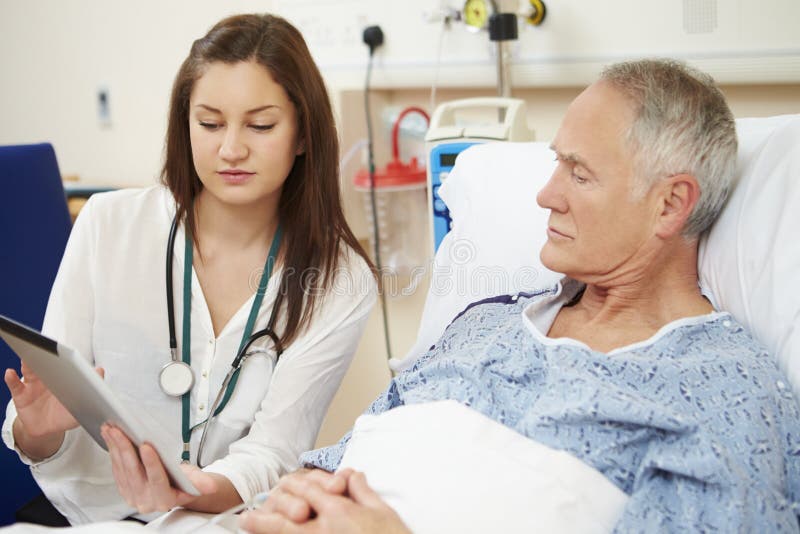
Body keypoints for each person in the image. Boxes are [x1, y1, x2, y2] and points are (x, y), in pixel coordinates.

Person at [238, 59, 800, 533]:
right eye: (558, 162)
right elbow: (331, 466)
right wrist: (290, 501)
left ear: (671, 203)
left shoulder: (721, 392)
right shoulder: (483, 325)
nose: (546, 194)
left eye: (579, 174)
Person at [2, 13, 377, 525]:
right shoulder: (108, 225)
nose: (231, 149)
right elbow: (43, 429)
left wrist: (190, 492)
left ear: (303, 135)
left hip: (221, 520)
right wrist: (38, 430)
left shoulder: (339, 279)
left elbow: (274, 452)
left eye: (261, 125)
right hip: (86, 518)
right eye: (210, 123)